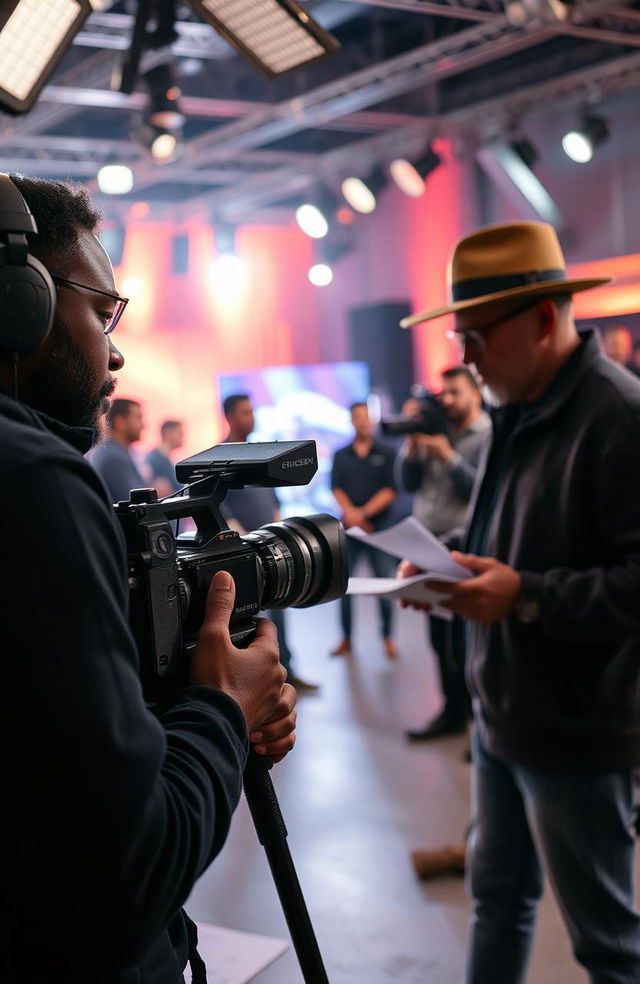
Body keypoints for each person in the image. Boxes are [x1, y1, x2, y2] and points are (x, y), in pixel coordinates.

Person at [0, 174, 296, 983]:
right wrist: (224, 711)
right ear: (19, 301)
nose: (116, 348)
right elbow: (126, 873)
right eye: (103, 312)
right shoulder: (34, 482)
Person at [399, 220, 640, 983]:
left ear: (542, 319)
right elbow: (502, 528)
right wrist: (452, 569)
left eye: (475, 336)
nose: (463, 356)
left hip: (578, 734)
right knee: (497, 901)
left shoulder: (620, 418)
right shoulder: (516, 407)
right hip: (502, 714)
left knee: (607, 944)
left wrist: (524, 598)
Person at [399, 366, 490, 741]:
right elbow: (407, 483)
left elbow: (482, 493)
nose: (448, 400)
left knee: (469, 640)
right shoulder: (435, 430)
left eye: (456, 393)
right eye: (444, 393)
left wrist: (449, 457)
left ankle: (481, 726)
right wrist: (412, 446)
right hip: (425, 545)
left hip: (466, 551)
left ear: (476, 394)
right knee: (439, 640)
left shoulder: (487, 436)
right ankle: (453, 712)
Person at [220, 393, 320, 694]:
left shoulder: (257, 453)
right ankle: (262, 683)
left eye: (253, 411)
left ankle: (286, 672)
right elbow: (220, 507)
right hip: (245, 554)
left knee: (280, 613)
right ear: (230, 417)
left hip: (271, 549)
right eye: (245, 412)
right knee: (255, 622)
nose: (252, 417)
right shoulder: (221, 455)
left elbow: (272, 497)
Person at [331, 401, 398, 659]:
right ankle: (346, 638)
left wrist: (365, 514)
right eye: (356, 417)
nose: (361, 421)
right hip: (349, 528)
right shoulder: (341, 455)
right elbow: (336, 488)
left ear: (371, 420)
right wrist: (353, 514)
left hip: (379, 527)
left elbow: (391, 489)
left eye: (365, 417)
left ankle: (388, 637)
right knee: (344, 585)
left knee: (384, 583)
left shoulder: (387, 451)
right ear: (351, 421)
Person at [90, 396, 145, 502]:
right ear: (120, 422)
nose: (143, 425)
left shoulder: (112, 451)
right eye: (138, 418)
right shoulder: (114, 458)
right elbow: (136, 507)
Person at [145, 418, 184, 497]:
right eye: (180, 433)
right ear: (168, 433)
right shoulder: (154, 460)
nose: (182, 437)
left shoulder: (164, 459)